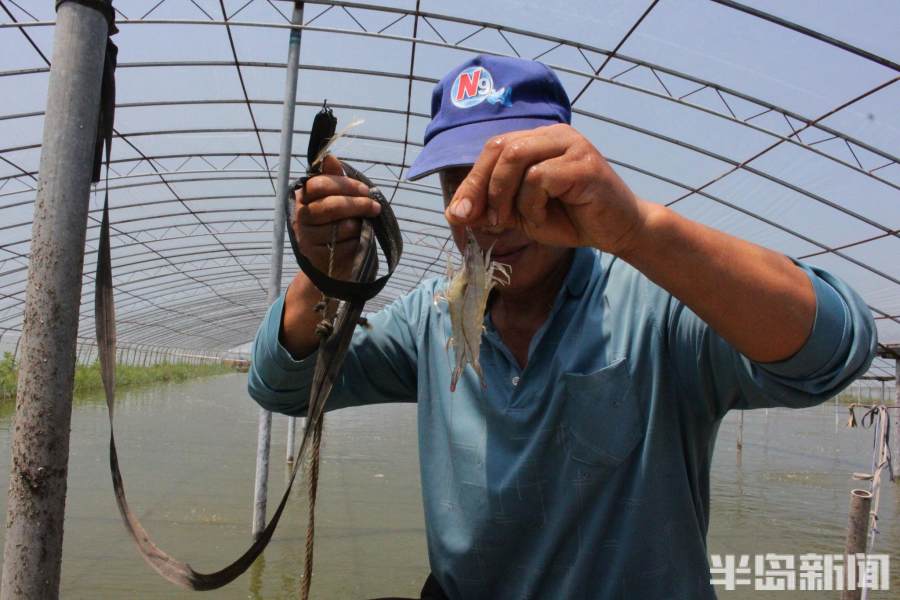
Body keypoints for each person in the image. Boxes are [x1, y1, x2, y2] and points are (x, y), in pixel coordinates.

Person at [248, 55, 876, 599]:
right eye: (460, 183)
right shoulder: (435, 315)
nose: (491, 217)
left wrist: (637, 231)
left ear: (569, 171)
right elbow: (282, 386)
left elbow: (830, 353)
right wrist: (324, 271)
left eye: (519, 184)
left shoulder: (654, 302)